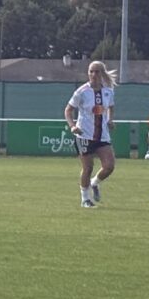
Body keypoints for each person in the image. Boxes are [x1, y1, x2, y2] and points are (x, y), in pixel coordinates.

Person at [65, 60, 117, 208]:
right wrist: (73, 126)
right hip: (84, 135)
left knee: (109, 166)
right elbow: (68, 110)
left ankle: (94, 183)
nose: (93, 74)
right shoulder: (81, 92)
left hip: (103, 136)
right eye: (91, 71)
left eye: (97, 71)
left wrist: (111, 120)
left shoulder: (108, 91)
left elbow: (111, 107)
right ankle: (85, 199)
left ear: (102, 73)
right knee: (88, 168)